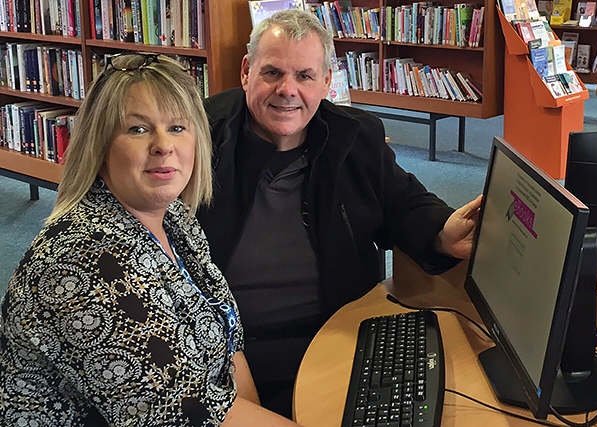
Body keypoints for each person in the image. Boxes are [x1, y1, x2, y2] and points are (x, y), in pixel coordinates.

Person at [196, 9, 482, 418]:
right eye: (272, 72)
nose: (287, 90)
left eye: (305, 76)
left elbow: (403, 202)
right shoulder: (198, 136)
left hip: (335, 336)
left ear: (327, 81)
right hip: (230, 354)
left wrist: (442, 230)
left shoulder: (354, 136)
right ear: (246, 71)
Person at [0, 52, 302, 426]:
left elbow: (228, 349)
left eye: (178, 127)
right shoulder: (80, 260)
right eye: (138, 129)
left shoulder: (173, 217)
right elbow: (180, 414)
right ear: (101, 144)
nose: (163, 145)